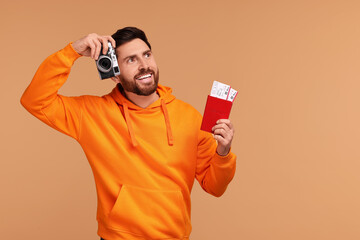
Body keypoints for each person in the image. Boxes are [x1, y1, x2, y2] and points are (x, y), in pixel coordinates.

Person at [21, 27, 236, 240]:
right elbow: (35, 100)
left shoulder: (190, 117)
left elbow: (215, 187)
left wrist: (223, 153)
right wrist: (72, 51)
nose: (145, 66)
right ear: (114, 75)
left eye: (147, 55)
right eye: (131, 60)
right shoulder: (92, 114)